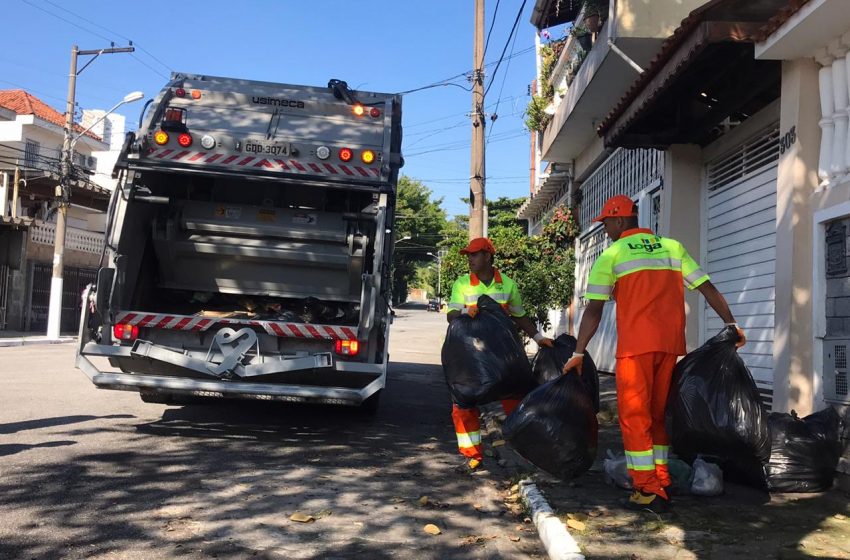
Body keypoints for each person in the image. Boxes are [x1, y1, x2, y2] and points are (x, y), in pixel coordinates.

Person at [563, 195, 745, 513]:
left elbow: (594, 310)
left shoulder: (613, 255)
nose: (605, 230)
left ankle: (647, 489)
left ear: (620, 220)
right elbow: (706, 287)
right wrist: (731, 323)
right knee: (657, 416)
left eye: (606, 223)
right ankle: (661, 477)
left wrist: (579, 352)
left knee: (635, 418)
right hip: (669, 345)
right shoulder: (672, 248)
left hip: (635, 348)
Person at [445, 237, 554, 472]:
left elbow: (519, 316)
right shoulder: (462, 284)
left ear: (487, 256)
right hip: (473, 359)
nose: (470, 260)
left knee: (518, 403)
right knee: (463, 404)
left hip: (503, 358)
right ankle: (472, 456)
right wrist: (466, 310)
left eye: (474, 255)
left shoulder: (507, 284)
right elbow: (451, 315)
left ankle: (527, 455)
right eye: (468, 256)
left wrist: (538, 338)